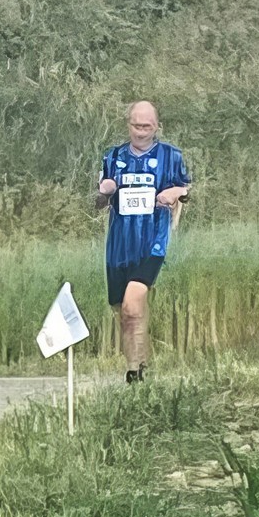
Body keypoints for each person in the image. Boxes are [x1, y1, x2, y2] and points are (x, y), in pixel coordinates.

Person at [94, 99, 191, 383]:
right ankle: (140, 365)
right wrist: (104, 192)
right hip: (119, 245)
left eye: (146, 126)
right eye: (136, 126)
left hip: (153, 241)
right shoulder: (113, 157)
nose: (140, 131)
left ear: (157, 126)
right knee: (123, 311)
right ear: (128, 125)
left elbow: (187, 189)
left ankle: (134, 374)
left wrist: (175, 193)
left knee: (133, 303)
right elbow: (99, 202)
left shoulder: (171, 156)